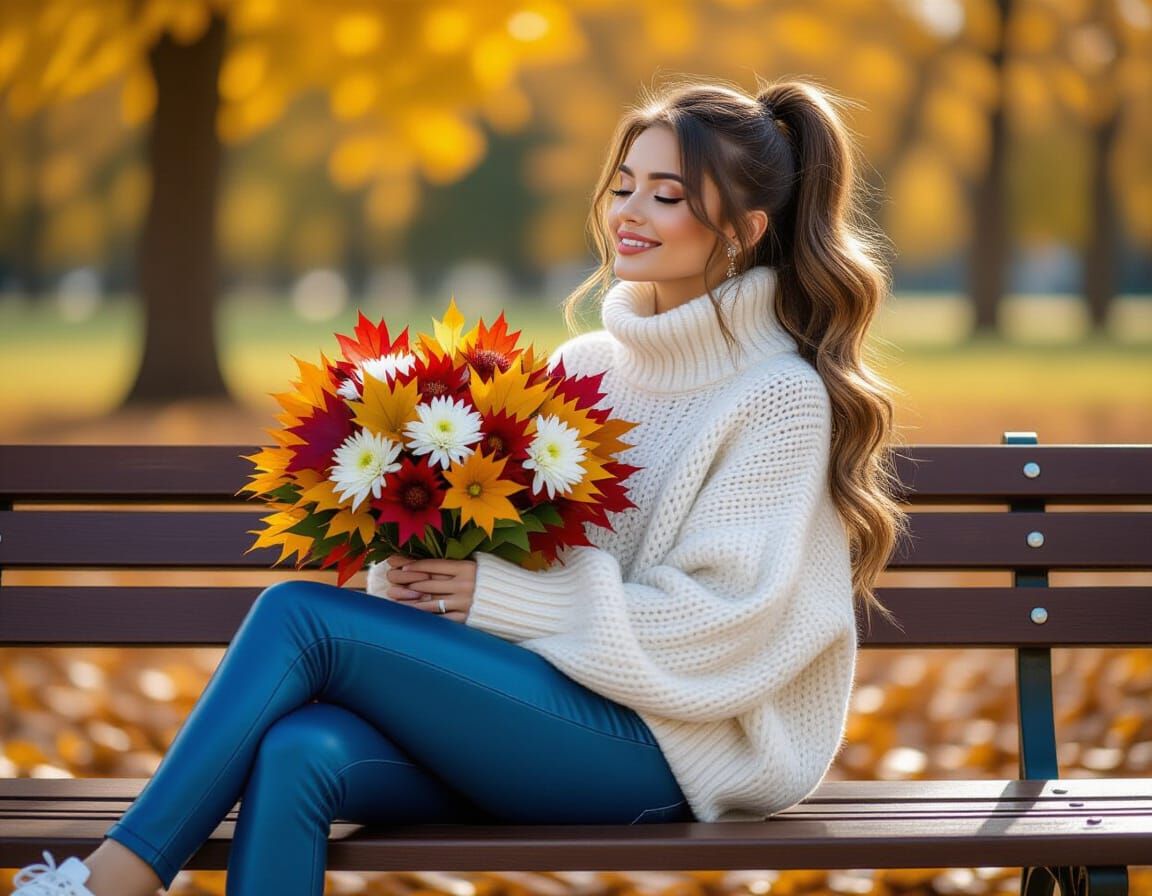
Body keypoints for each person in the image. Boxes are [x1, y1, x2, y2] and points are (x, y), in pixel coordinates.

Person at [10, 75, 907, 896]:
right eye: (625, 183)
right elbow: (518, 559)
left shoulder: (778, 395)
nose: (629, 211)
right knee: (297, 749)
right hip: (533, 707)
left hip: (670, 752)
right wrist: (423, 563)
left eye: (667, 195)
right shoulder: (587, 364)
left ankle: (110, 881)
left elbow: (722, 625)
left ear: (747, 231)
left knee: (299, 614)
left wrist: (497, 596)